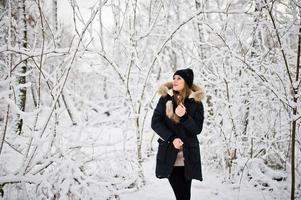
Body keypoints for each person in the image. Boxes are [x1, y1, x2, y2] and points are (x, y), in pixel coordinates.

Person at [151, 68, 205, 200]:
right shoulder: (165, 100)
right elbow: (155, 123)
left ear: (186, 82)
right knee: (181, 195)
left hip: (188, 155)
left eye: (179, 78)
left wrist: (185, 117)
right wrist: (172, 138)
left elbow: (197, 129)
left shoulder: (196, 102)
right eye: (174, 78)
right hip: (170, 154)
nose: (174, 81)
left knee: (185, 196)